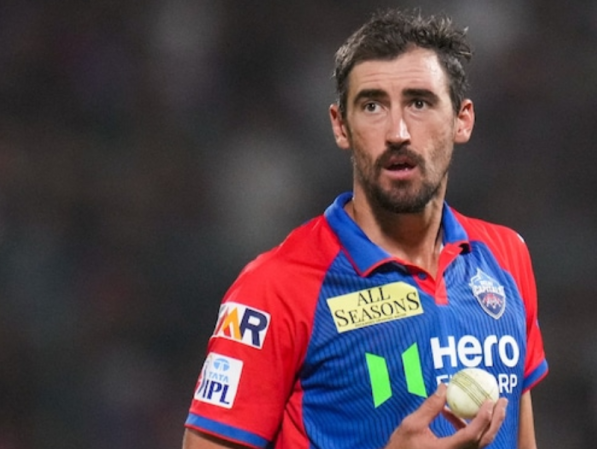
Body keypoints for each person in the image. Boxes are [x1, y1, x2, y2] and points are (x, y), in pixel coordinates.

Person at [182, 8, 548, 449]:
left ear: (462, 120)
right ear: (341, 126)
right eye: (372, 106)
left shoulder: (506, 256)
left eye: (419, 103)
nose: (398, 132)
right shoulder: (273, 288)